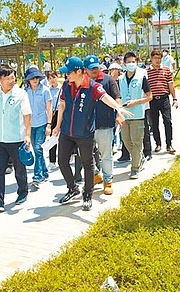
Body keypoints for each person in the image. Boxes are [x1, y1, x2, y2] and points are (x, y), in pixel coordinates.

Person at [52, 57, 133, 211]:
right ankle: (72, 188)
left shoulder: (92, 86)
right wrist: (56, 125)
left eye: (68, 72)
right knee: (62, 161)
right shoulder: (66, 85)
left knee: (88, 164)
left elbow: (105, 97)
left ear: (78, 72)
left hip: (84, 133)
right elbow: (62, 105)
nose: (66, 75)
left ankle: (87, 194)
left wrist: (118, 108)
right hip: (66, 131)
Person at [0, 65, 32, 212]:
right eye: (7, 78)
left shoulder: (21, 94)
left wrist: (27, 135)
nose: (11, 81)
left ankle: (22, 192)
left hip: (16, 139)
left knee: (19, 169)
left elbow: (27, 115)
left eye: (13, 78)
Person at [84, 55, 121, 195]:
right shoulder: (83, 82)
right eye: (91, 68)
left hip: (105, 124)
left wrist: (119, 112)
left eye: (96, 67)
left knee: (106, 154)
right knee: (87, 155)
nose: (94, 70)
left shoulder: (108, 80)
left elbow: (117, 97)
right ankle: (95, 175)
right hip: (87, 126)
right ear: (85, 69)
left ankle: (108, 180)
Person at [119, 52, 152, 179]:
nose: (131, 64)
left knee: (137, 142)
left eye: (133, 62)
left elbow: (150, 96)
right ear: (124, 63)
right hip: (124, 115)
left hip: (137, 114)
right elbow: (118, 96)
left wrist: (136, 102)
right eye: (129, 62)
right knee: (126, 141)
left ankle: (135, 168)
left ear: (136, 62)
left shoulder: (141, 77)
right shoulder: (121, 79)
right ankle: (139, 157)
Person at [24, 66, 52, 190]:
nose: (35, 80)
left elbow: (49, 108)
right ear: (28, 80)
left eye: (37, 78)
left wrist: (49, 124)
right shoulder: (25, 92)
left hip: (41, 123)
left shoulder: (45, 90)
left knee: (38, 148)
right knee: (36, 150)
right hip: (30, 124)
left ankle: (37, 176)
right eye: (32, 78)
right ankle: (44, 171)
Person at [147, 50, 178, 154]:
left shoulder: (166, 70)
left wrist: (174, 99)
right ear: (151, 59)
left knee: (168, 121)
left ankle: (169, 144)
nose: (157, 60)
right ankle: (158, 144)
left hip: (164, 99)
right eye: (155, 58)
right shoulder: (146, 72)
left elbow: (171, 85)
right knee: (154, 123)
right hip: (152, 101)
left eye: (159, 58)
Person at [46, 70, 61, 169]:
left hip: (62, 113)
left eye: (53, 77)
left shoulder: (62, 88)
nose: (52, 80)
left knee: (64, 136)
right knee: (53, 137)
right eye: (50, 78)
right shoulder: (48, 90)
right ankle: (52, 160)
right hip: (53, 114)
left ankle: (67, 155)